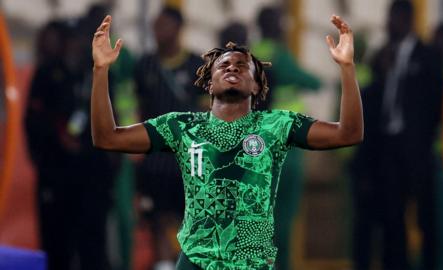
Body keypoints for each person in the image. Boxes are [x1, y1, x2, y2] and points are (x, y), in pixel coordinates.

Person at [91, 14, 362, 269]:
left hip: (251, 262)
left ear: (256, 85)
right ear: (209, 84)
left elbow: (347, 133)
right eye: (223, 65)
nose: (232, 67)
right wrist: (100, 70)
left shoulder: (276, 125)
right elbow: (107, 137)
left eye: (243, 66)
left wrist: (348, 68)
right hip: (195, 261)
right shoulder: (182, 126)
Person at [349, 1, 443, 270]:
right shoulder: (382, 56)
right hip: (387, 148)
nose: (388, 24)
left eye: (393, 18)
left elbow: (436, 103)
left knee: (426, 218)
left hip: (417, 149)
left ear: (406, 19)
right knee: (392, 217)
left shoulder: (427, 56)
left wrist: (424, 138)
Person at [26, 19, 116, 270]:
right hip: (56, 174)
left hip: (93, 175)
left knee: (92, 245)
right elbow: (34, 120)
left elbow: (116, 117)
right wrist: (50, 149)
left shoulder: (103, 73)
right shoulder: (48, 73)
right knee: (56, 244)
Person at [251, 6, 323, 270]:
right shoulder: (281, 56)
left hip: (259, 146)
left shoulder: (249, 54)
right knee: (284, 217)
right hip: (286, 147)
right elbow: (311, 81)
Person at [133, 6, 204, 270]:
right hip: (155, 160)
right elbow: (136, 109)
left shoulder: (198, 66)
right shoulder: (145, 65)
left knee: (194, 220)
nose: (157, 32)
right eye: (155, 26)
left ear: (178, 28)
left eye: (163, 26)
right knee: (158, 221)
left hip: (190, 160)